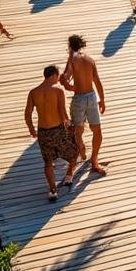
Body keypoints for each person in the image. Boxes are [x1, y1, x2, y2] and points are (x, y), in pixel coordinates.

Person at [25, 65, 79, 201]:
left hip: (43, 132)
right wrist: (69, 124)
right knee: (74, 152)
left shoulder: (33, 92)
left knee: (48, 162)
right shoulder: (58, 91)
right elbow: (62, 112)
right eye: (58, 76)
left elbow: (27, 114)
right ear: (54, 75)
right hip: (57, 130)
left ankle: (52, 189)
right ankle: (68, 175)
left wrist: (31, 128)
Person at [60, 34, 107, 175]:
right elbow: (97, 81)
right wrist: (102, 100)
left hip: (79, 98)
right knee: (97, 130)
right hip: (92, 96)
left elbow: (66, 80)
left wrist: (68, 85)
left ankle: (81, 147)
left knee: (77, 131)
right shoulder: (90, 60)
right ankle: (95, 161)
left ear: (69, 47)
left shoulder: (72, 60)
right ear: (82, 45)